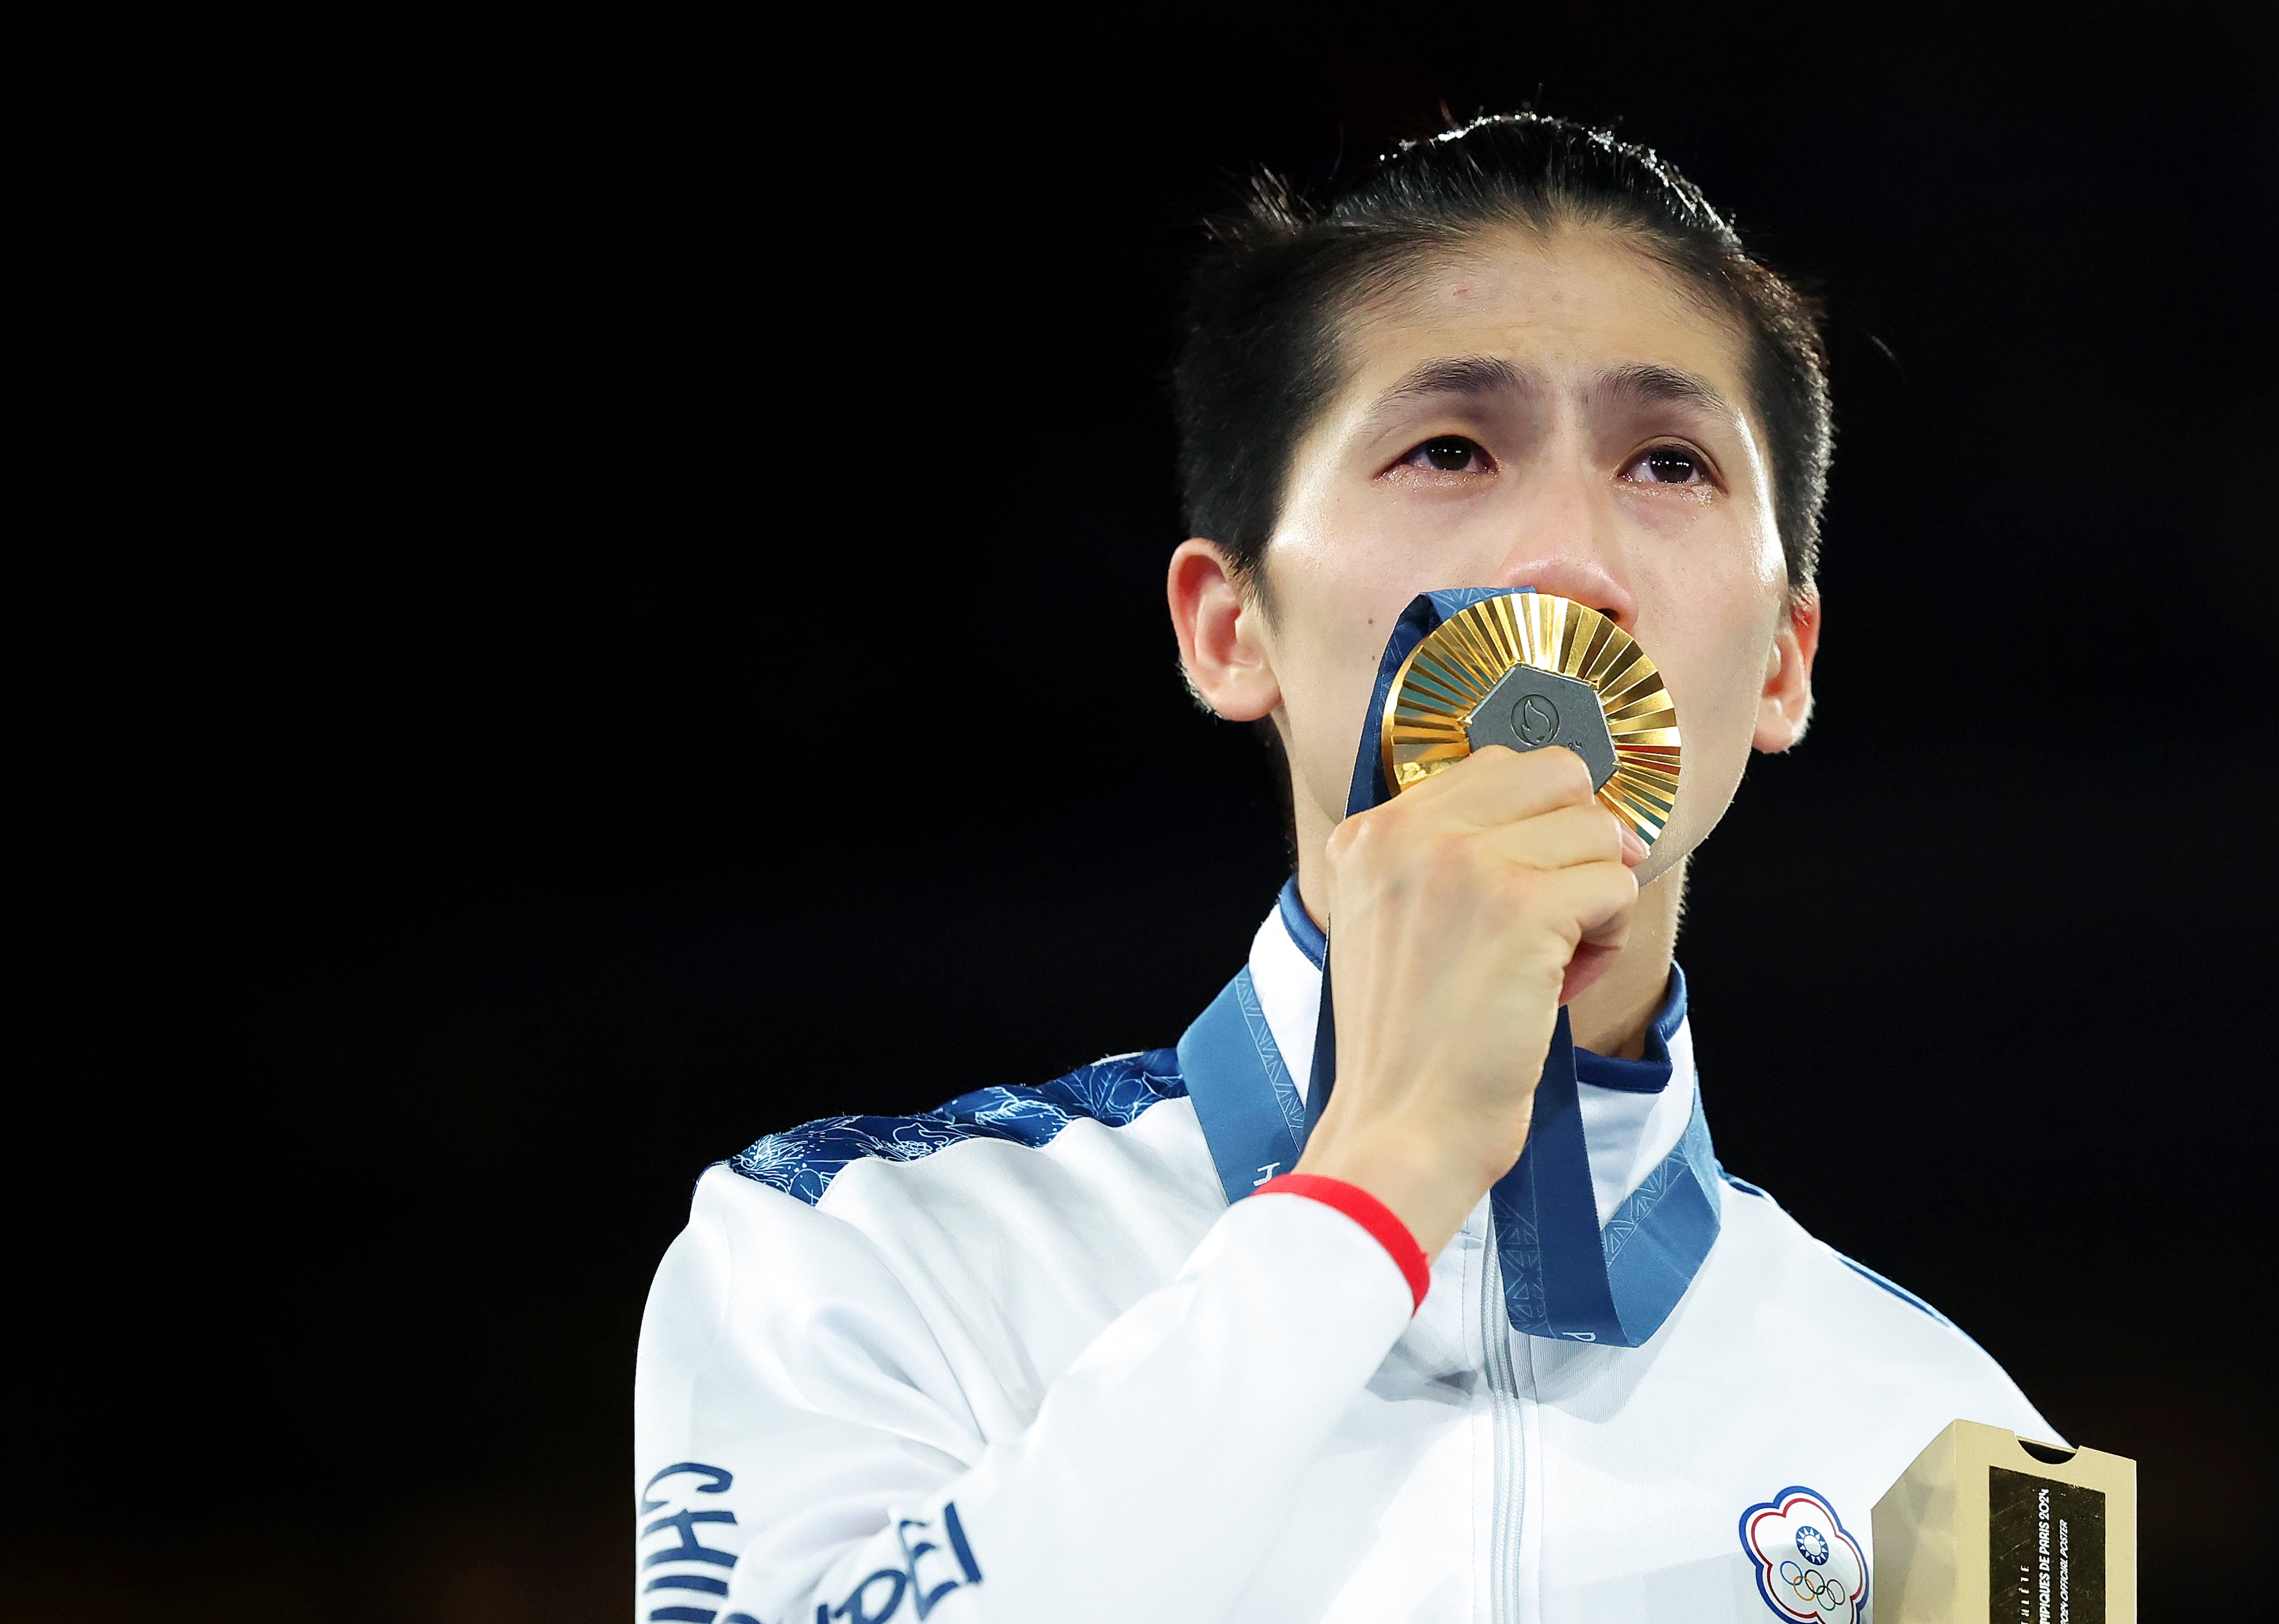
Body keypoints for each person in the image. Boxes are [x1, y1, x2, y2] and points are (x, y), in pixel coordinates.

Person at [633, 114, 2056, 1624]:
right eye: (1448, 449)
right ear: (1229, 623)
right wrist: (1368, 1184)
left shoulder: (1975, 1458)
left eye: (1668, 460)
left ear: (1782, 662)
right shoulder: (846, 1252)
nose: (1570, 554)